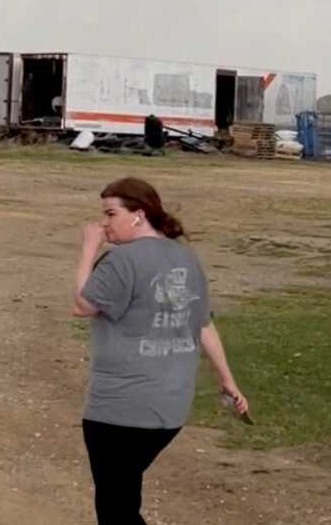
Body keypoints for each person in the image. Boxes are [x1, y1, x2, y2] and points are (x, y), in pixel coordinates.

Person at [71, 176, 248, 525]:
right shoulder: (186, 258)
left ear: (138, 214)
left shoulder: (120, 261)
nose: (104, 224)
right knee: (122, 499)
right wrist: (228, 380)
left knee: (115, 509)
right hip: (169, 410)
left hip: (119, 409)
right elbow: (203, 325)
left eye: (110, 214)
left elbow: (82, 305)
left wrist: (88, 248)